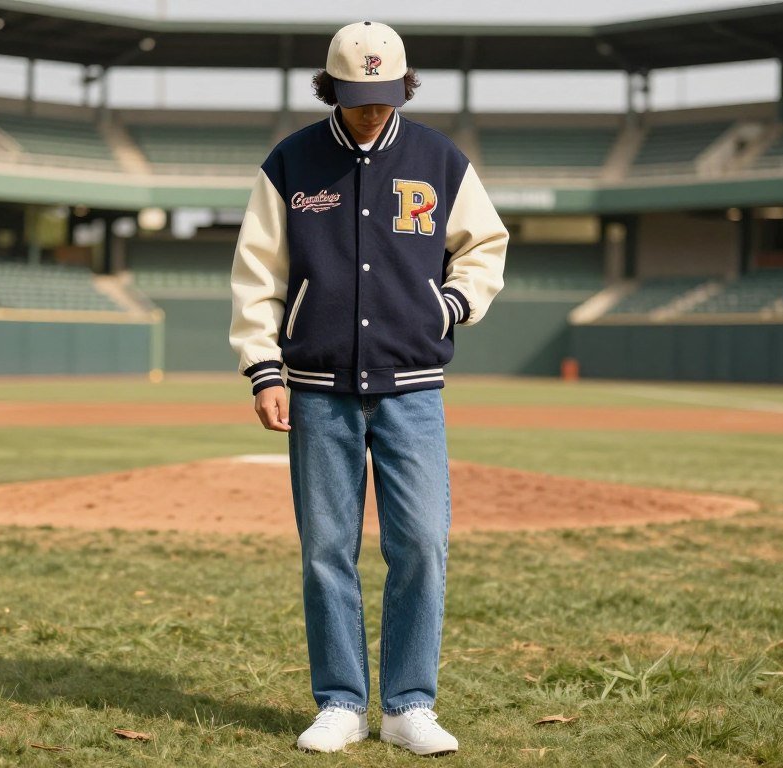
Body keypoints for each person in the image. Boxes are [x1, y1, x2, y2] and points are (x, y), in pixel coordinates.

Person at [229, 20, 508, 756]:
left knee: (420, 542)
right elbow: (258, 275)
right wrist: (263, 368)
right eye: (357, 97)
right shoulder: (290, 163)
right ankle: (341, 703)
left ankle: (410, 704)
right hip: (317, 386)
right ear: (331, 88)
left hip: (412, 387)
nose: (371, 110)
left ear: (403, 87)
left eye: (384, 96)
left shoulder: (439, 160)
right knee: (327, 547)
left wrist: (448, 306)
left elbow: (485, 247)